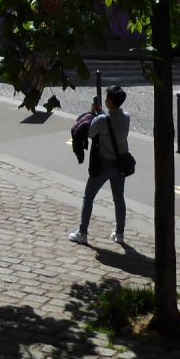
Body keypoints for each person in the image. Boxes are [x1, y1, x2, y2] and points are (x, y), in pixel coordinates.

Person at [69, 85, 131, 246]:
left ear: (110, 101)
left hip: (103, 164)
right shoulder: (126, 117)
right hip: (120, 163)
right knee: (119, 198)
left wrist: (93, 113)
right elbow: (111, 123)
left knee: (88, 197)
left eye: (107, 98)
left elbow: (90, 132)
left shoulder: (102, 120)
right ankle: (119, 233)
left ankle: (82, 232)